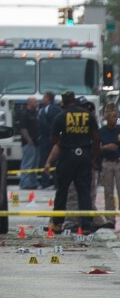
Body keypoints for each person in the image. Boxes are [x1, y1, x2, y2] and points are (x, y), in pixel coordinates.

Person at [43, 91, 100, 233]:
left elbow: (54, 141)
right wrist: (92, 157)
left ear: (63, 102)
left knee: (62, 191)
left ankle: (57, 224)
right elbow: (97, 138)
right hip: (84, 156)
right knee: (84, 192)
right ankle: (86, 225)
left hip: (67, 157)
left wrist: (64, 143)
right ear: (74, 100)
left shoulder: (60, 117)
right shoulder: (88, 116)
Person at [99, 108, 120, 229]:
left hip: (118, 162)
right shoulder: (102, 131)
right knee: (108, 192)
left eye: (116, 116)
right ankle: (110, 219)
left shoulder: (119, 130)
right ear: (106, 118)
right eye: (112, 116)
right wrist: (105, 148)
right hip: (107, 162)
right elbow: (97, 147)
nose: (115, 118)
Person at [37, 91, 61, 188]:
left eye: (44, 97)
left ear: (48, 98)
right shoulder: (57, 109)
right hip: (52, 139)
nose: (43, 99)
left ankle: (46, 182)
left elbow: (45, 124)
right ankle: (55, 182)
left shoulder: (47, 110)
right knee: (54, 161)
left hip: (47, 139)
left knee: (46, 161)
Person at [18, 96, 39, 190]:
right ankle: (25, 183)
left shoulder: (36, 113)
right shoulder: (25, 114)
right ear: (29, 103)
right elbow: (23, 129)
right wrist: (28, 139)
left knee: (35, 165)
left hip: (36, 142)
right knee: (27, 164)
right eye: (35, 101)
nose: (37, 103)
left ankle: (33, 183)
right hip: (28, 143)